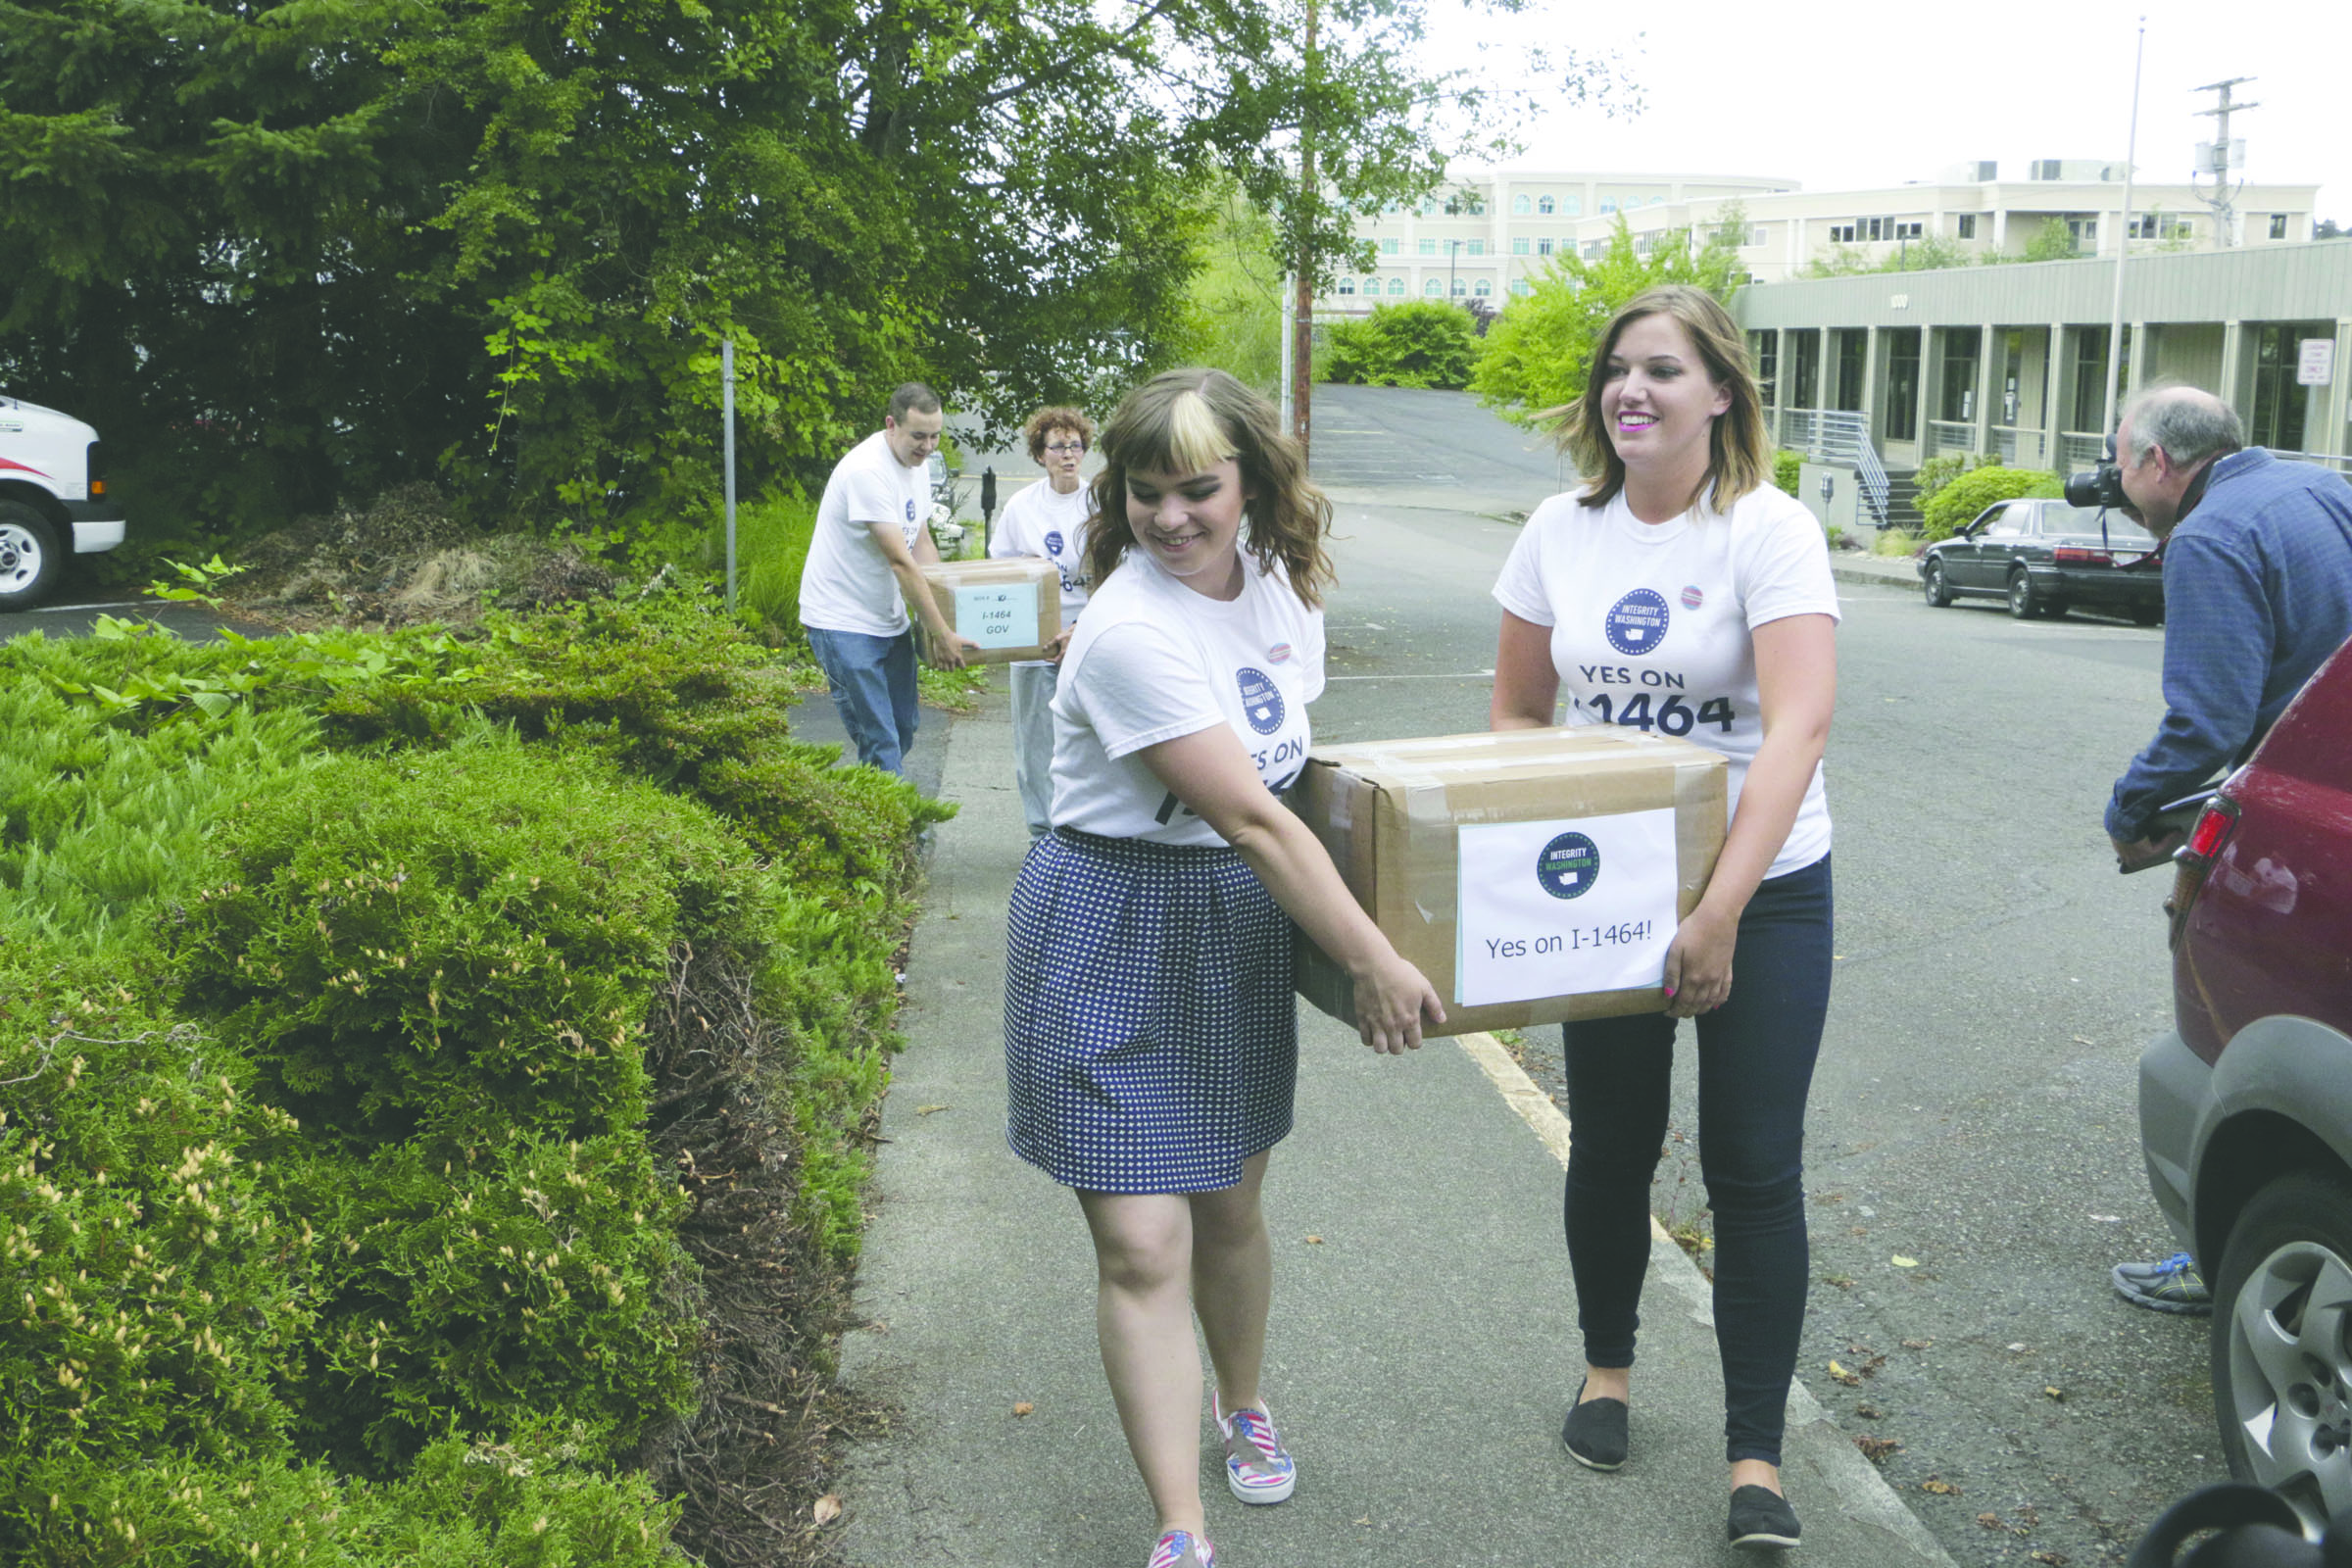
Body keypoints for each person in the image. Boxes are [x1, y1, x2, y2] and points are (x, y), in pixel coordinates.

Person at [1003, 368, 1444, 1568]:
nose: (1171, 516)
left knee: (1230, 1204)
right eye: (1146, 494)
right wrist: (1374, 959)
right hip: (1109, 920)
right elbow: (1253, 818)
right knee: (1143, 1241)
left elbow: (1300, 774)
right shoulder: (1126, 629)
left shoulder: (1278, 591)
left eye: (1198, 488)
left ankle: (1239, 1398)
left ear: (1251, 480)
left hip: (1230, 927)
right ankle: (1181, 1529)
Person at [1487, 284, 1838, 1552]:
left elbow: (1797, 723)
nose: (1631, 390)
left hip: (1771, 887)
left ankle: (1756, 1456)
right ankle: (1607, 1373)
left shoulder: (1769, 529)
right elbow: (1521, 718)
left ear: (1721, 394)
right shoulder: (1557, 531)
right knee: (1614, 1142)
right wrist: (1535, 883)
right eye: (1617, 371)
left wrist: (1725, 908)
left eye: (1664, 371)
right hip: (1611, 895)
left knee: (1753, 1163)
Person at [2101, 383, 2352, 1314]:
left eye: (2122, 460)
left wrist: (2130, 814)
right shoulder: (2322, 490)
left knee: (2233, 1032)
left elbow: (2205, 725)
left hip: (2282, 830)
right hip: (2335, 802)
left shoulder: (2207, 538)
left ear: (2161, 463)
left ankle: (2231, 1258)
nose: (2119, 479)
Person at [797, 382, 979, 776]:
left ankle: (874, 811)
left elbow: (922, 540)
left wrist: (947, 614)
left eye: (935, 436)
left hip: (886, 617)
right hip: (841, 620)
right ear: (891, 424)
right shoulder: (867, 471)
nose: (928, 446)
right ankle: (889, 835)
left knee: (904, 728)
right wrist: (941, 633)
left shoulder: (918, 465)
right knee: (880, 740)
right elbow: (900, 561)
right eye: (919, 436)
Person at [987, 405, 1098, 838]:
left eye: (1075, 445)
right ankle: (1041, 835)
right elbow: (999, 571)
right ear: (1040, 454)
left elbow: (1120, 574)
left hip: (1088, 638)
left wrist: (1080, 631)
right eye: (1058, 447)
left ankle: (1087, 831)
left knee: (1088, 740)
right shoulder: (1021, 506)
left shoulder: (1100, 502)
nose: (1068, 455)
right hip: (1035, 643)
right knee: (1036, 746)